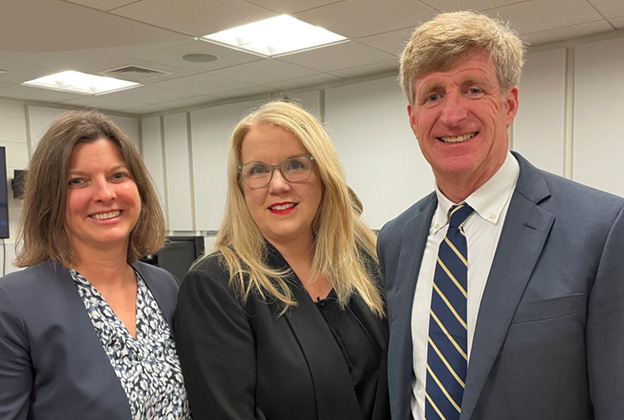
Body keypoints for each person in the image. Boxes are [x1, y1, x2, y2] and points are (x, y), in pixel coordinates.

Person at [377, 11, 624, 420]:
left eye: (473, 89)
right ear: (413, 118)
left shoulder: (600, 228)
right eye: (433, 95)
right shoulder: (395, 239)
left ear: (509, 105)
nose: (452, 115)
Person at [175, 100, 390, 420]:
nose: (278, 185)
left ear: (323, 174)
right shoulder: (218, 285)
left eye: (296, 165)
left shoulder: (365, 262)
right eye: (258, 170)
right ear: (242, 186)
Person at [0, 110, 191, 420]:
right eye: (78, 181)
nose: (105, 194)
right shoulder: (14, 304)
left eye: (118, 175)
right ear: (52, 198)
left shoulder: (165, 286)